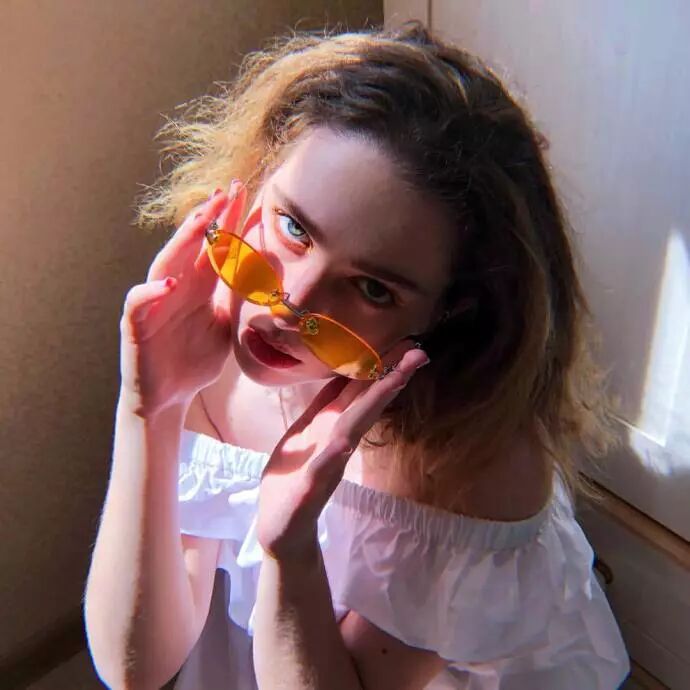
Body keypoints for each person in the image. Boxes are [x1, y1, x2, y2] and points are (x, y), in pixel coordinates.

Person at [84, 21, 630, 690]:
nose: (290, 305)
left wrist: (290, 550)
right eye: (293, 227)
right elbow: (136, 668)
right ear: (257, 174)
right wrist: (149, 408)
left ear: (450, 314)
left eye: (372, 288)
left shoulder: (472, 463)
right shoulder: (210, 326)